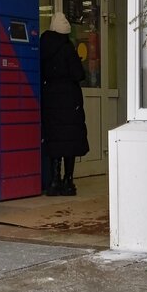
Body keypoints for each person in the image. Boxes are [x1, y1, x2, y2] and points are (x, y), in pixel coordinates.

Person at [40, 12, 89, 196]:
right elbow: (78, 74)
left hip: (50, 98)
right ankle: (68, 182)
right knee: (70, 139)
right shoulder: (68, 48)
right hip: (69, 99)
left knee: (54, 139)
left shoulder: (43, 46)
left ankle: (54, 181)